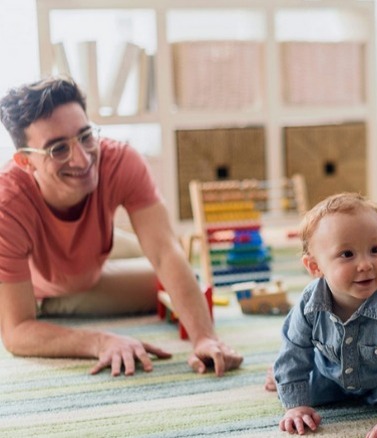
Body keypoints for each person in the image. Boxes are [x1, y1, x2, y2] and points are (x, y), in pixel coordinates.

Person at [0, 76, 243, 377]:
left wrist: (205, 338)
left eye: (85, 136)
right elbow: (16, 332)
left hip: (99, 252)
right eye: (58, 149)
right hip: (47, 286)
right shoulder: (7, 203)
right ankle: (52, 304)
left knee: (182, 280)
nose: (82, 157)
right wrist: (101, 341)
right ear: (25, 162)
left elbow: (165, 252)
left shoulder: (120, 160)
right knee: (161, 287)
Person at [267, 193, 377, 437]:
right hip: (327, 377)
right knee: (292, 384)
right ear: (315, 267)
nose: (365, 264)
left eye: (375, 250)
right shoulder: (309, 303)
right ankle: (280, 379)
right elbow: (294, 349)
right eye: (347, 254)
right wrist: (296, 406)